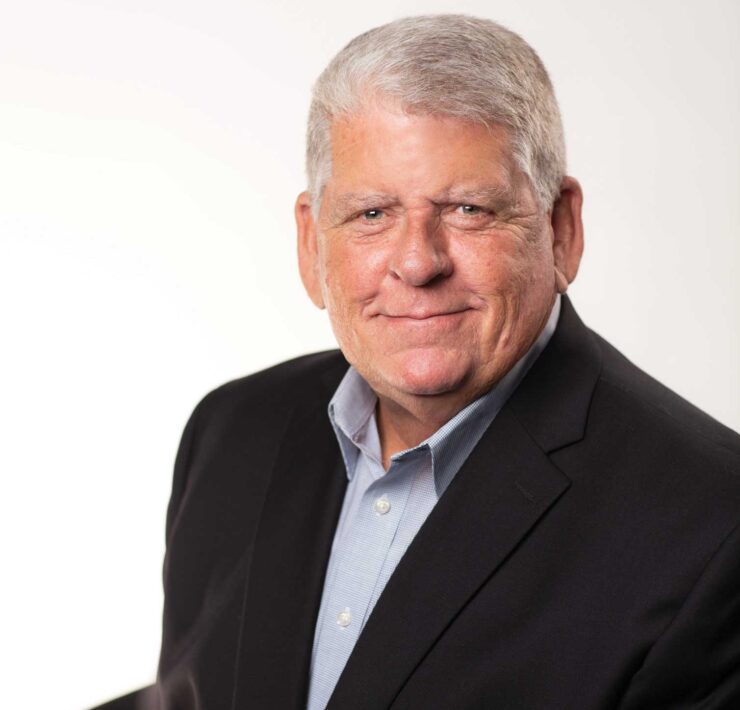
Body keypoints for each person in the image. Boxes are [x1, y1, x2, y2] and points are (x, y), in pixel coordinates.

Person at [94, 14, 740, 710]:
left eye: (468, 208)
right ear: (312, 245)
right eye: (372, 214)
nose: (417, 261)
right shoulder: (233, 432)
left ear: (562, 230)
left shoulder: (712, 530)